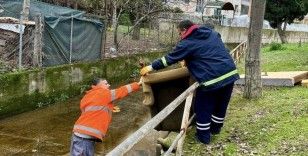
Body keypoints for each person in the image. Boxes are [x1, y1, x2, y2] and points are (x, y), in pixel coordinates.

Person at [140, 20, 239, 144]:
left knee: (203, 107)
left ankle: (203, 138)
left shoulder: (187, 43)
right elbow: (206, 52)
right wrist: (188, 59)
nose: (180, 36)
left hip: (211, 79)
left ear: (184, 30)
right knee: (221, 105)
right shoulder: (212, 33)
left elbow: (169, 59)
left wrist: (150, 67)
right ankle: (215, 130)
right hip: (230, 75)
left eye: (179, 33)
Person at [70, 77, 143, 156]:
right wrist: (138, 84)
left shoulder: (86, 97)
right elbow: (122, 90)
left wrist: (109, 107)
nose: (109, 85)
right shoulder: (104, 93)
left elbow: (90, 112)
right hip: (84, 138)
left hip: (78, 134)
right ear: (97, 85)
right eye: (106, 83)